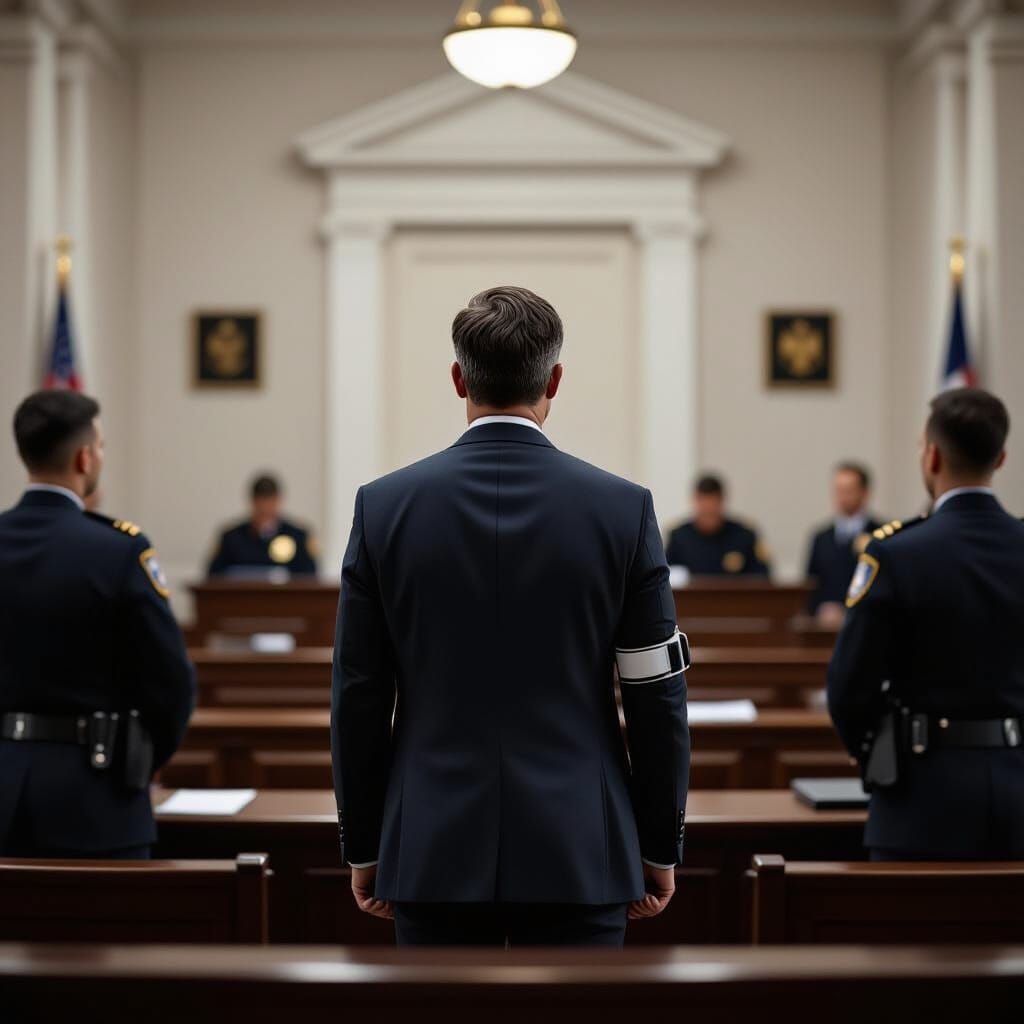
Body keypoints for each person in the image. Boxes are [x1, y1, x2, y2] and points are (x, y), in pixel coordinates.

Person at [331, 285, 690, 947]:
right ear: (555, 378)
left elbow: (359, 692)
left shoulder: (384, 508)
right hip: (583, 846)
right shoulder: (623, 510)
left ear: (458, 378)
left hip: (430, 847)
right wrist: (659, 845)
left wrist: (366, 844)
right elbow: (654, 696)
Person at [828, 388, 1024, 861]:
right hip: (1020, 787)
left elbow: (850, 687)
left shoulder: (895, 553)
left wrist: (880, 753)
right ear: (1000, 457)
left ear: (932, 456)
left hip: (922, 796)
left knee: (914, 934)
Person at [0, 390, 195, 858]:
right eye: (102, 446)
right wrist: (144, 758)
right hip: (95, 795)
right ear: (85, 458)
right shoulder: (118, 550)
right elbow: (170, 685)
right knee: (103, 931)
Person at [805, 462, 882, 624]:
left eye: (848, 491)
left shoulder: (881, 535)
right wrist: (821, 608)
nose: (842, 497)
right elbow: (810, 585)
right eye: (838, 491)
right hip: (826, 627)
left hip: (868, 624)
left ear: (864, 493)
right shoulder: (821, 538)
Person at [207, 473, 318, 577]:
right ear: (253, 502)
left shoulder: (297, 537)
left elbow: (310, 577)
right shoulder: (232, 538)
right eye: (260, 506)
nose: (265, 509)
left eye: (270, 504)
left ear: (278, 501)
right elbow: (213, 577)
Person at [665, 474, 771, 576]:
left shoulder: (744, 536)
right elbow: (664, 578)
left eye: (713, 508)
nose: (709, 510)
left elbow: (762, 577)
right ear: (695, 501)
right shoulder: (679, 537)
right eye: (704, 509)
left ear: (722, 501)